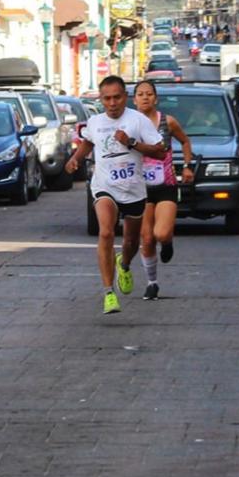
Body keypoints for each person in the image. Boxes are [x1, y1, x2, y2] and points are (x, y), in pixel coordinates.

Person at [64, 75, 166, 315]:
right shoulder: (95, 121)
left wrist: (130, 142)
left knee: (130, 243)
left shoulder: (138, 120)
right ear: (100, 99)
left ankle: (125, 263)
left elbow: (160, 152)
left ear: (125, 97)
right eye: (107, 98)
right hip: (104, 185)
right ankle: (109, 292)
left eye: (116, 97)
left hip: (133, 189)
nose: (112, 103)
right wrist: (75, 159)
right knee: (106, 231)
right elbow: (89, 143)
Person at [133, 80, 195, 300]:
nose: (145, 98)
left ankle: (167, 241)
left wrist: (187, 166)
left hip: (166, 185)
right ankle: (152, 282)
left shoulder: (167, 122)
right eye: (140, 94)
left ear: (155, 98)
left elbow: (185, 142)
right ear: (134, 99)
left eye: (149, 94)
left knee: (160, 233)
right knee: (147, 238)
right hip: (139, 189)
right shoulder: (128, 125)